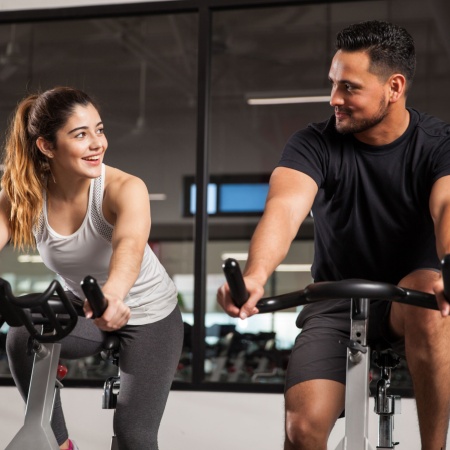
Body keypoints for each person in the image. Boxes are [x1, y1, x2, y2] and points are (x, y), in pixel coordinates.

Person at [217, 20, 450, 450]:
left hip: (411, 301)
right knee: (302, 432)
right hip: (335, 304)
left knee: (429, 288)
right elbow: (284, 209)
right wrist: (254, 276)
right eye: (333, 84)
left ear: (394, 87)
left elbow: (446, 206)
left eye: (349, 88)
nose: (334, 99)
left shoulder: (438, 143)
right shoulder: (314, 143)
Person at [0, 86, 184, 450]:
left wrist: (113, 296)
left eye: (99, 130)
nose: (97, 143)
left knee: (135, 435)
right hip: (83, 307)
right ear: (46, 147)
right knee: (22, 335)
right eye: (81, 134)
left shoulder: (123, 188)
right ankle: (60, 444)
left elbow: (129, 246)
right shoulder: (24, 192)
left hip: (150, 314)